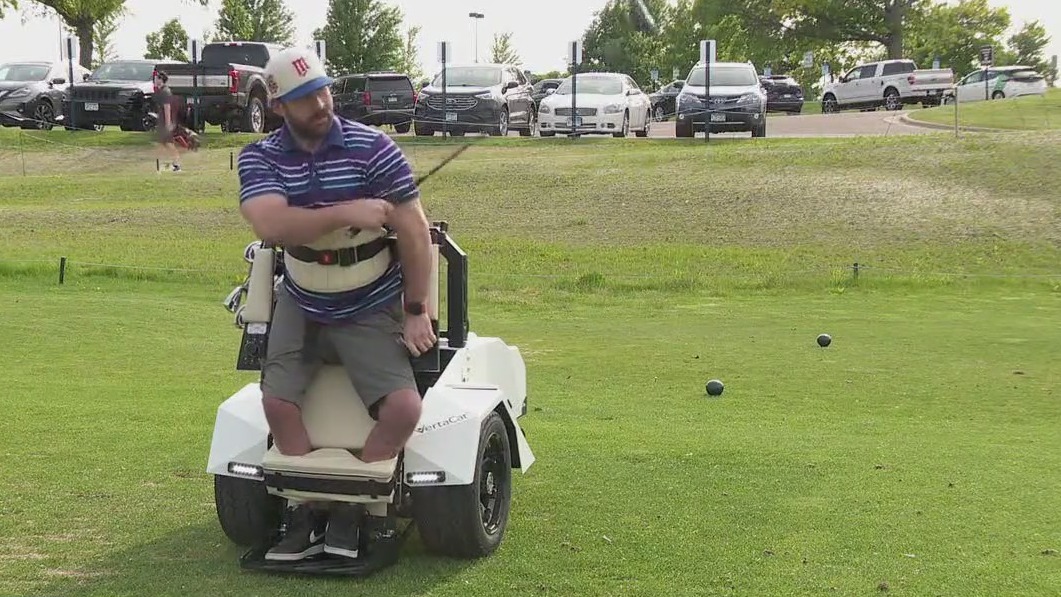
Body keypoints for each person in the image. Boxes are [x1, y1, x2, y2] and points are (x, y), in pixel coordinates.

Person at [236, 47, 436, 562]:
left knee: (403, 409)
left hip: (370, 302)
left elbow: (414, 231)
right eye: (305, 97)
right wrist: (348, 210)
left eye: (323, 89)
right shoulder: (260, 157)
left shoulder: (374, 147)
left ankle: (356, 510)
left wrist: (416, 308)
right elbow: (271, 225)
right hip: (301, 299)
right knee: (277, 404)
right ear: (278, 104)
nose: (321, 103)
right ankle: (309, 511)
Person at [152, 70, 182, 172]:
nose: (155, 80)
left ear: (161, 80)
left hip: (166, 122)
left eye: (156, 78)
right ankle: (170, 163)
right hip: (163, 122)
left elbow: (167, 108)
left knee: (168, 143)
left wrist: (168, 124)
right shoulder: (161, 91)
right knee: (164, 143)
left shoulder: (165, 92)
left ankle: (177, 164)